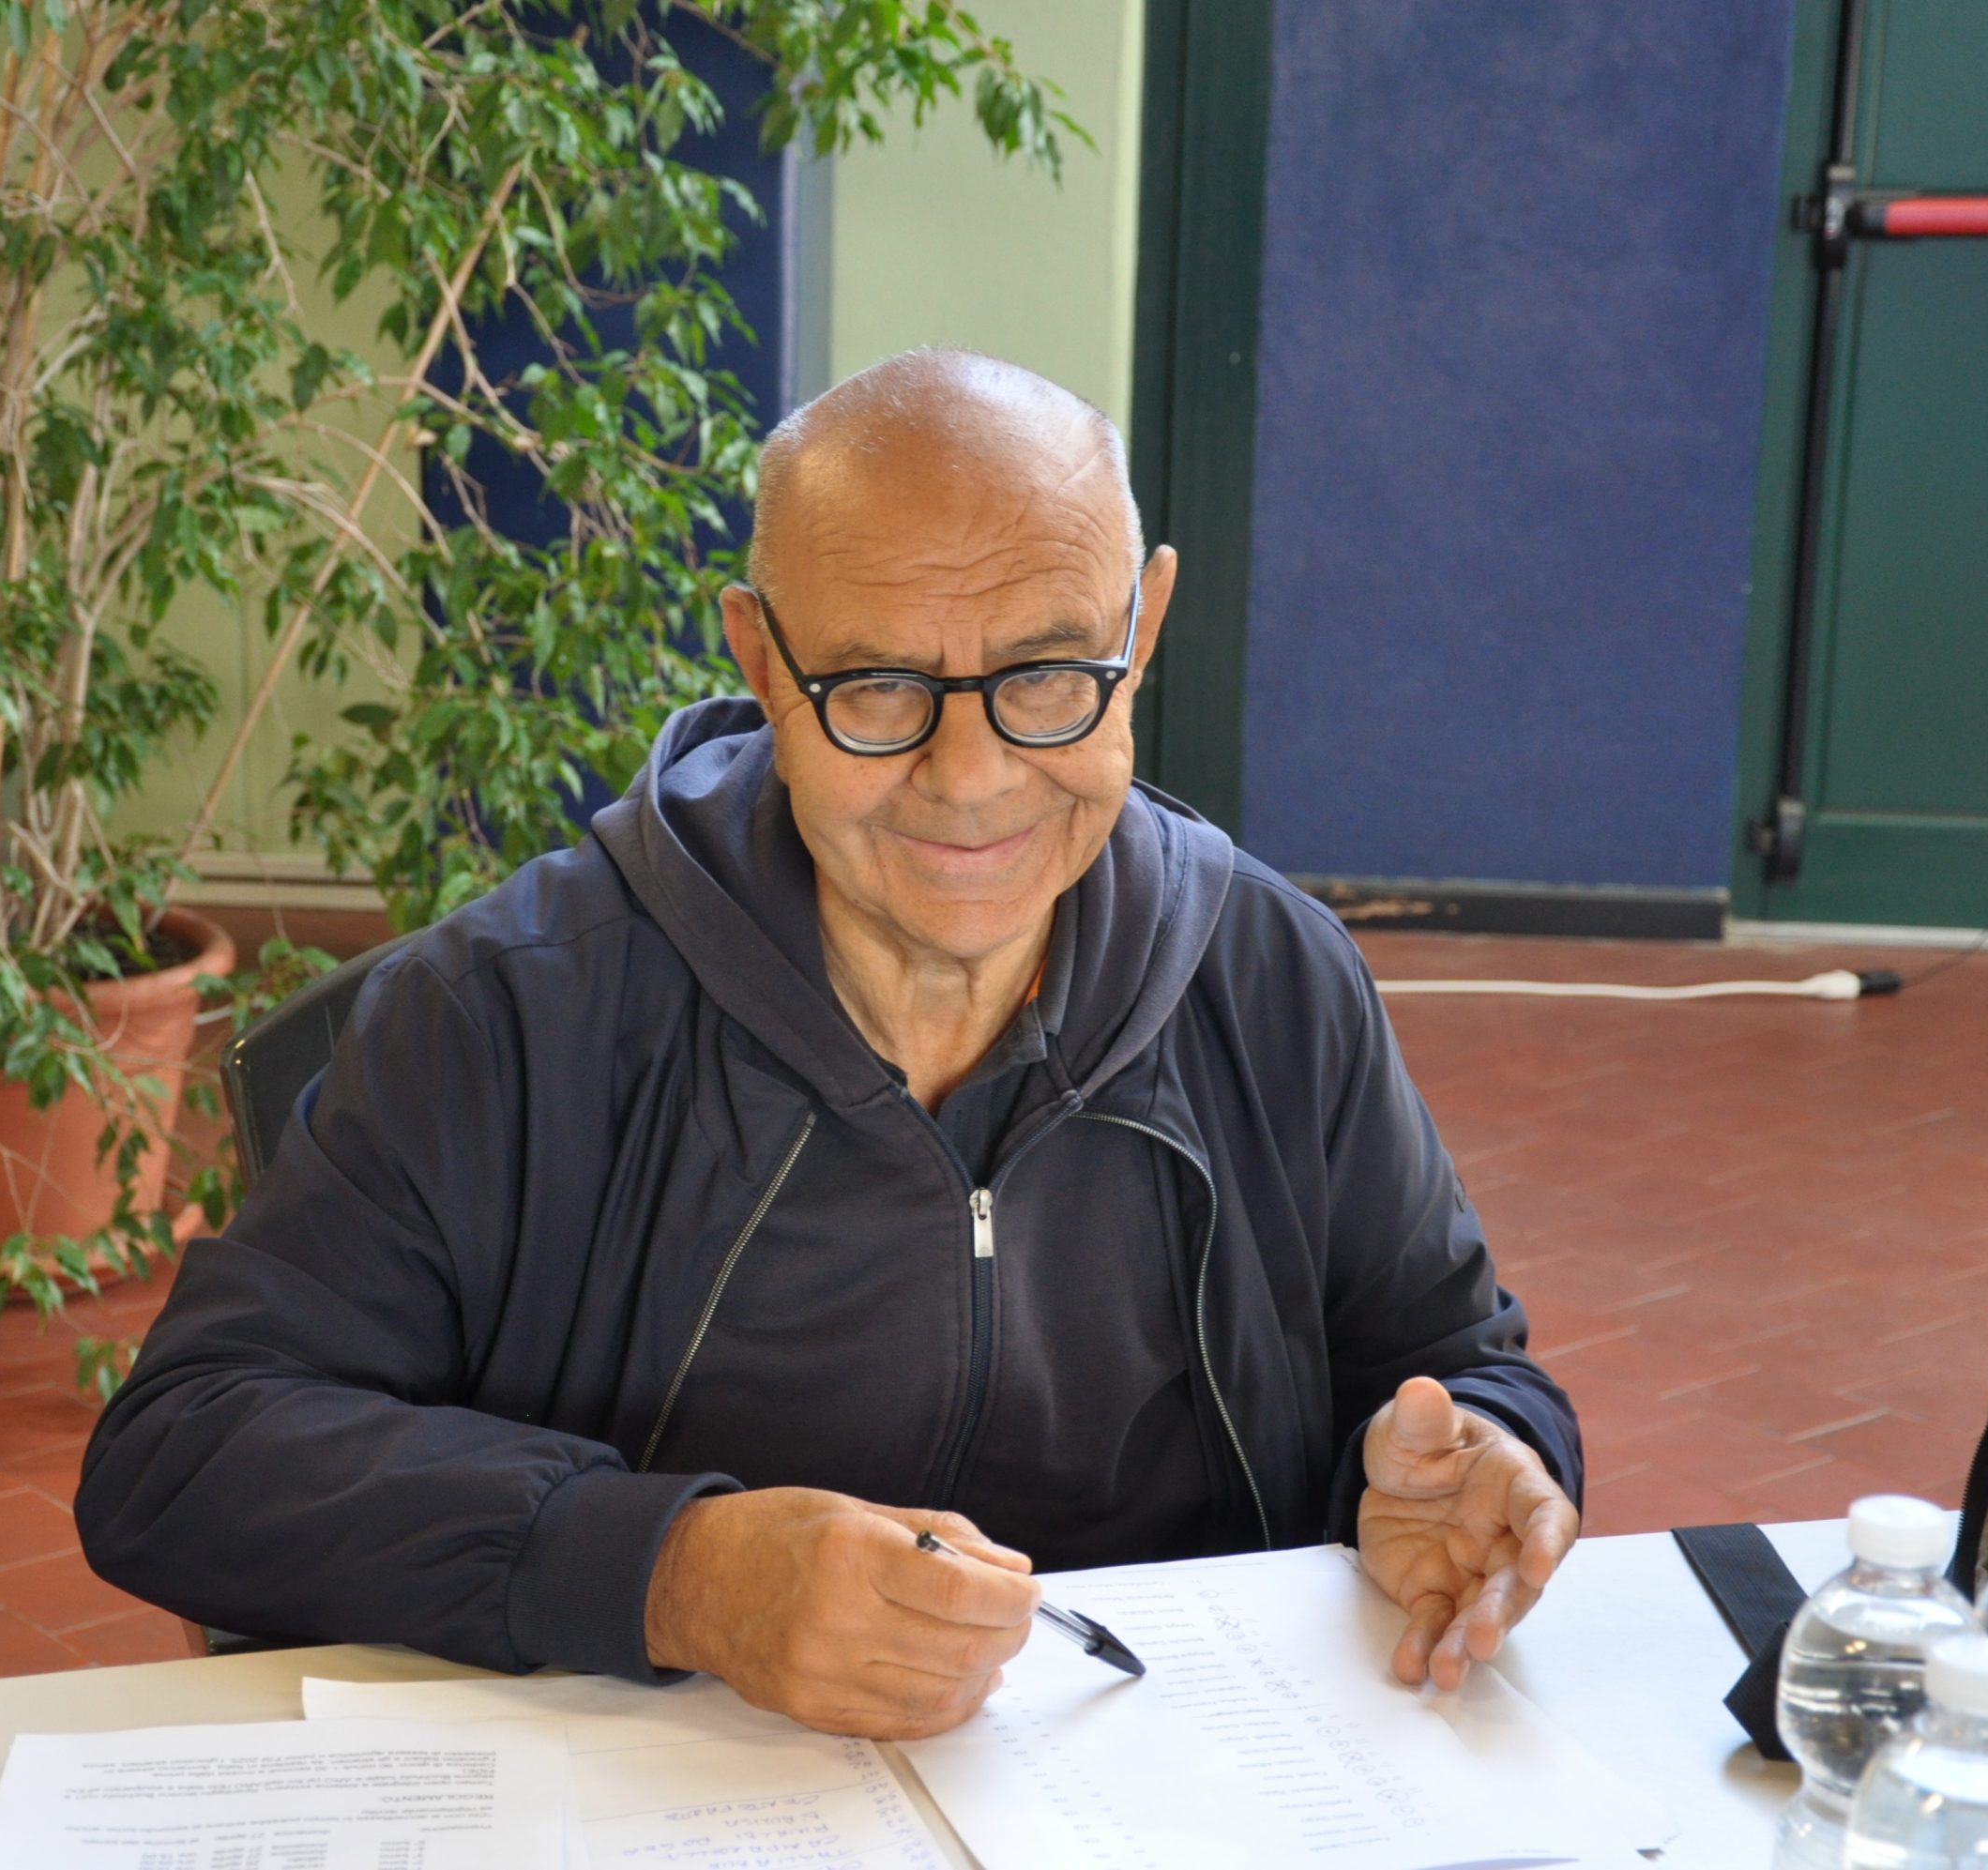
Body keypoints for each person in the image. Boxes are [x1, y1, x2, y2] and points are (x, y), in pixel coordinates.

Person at [79, 349, 1584, 1741]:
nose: (971, 776)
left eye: (1048, 675)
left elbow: (1451, 1362)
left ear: (1144, 634)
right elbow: (186, 1452)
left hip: (1174, 1781)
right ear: (760, 657)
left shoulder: (1271, 975)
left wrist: (1478, 1459)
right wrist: (675, 1572)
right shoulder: (510, 1009)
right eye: (877, 687)